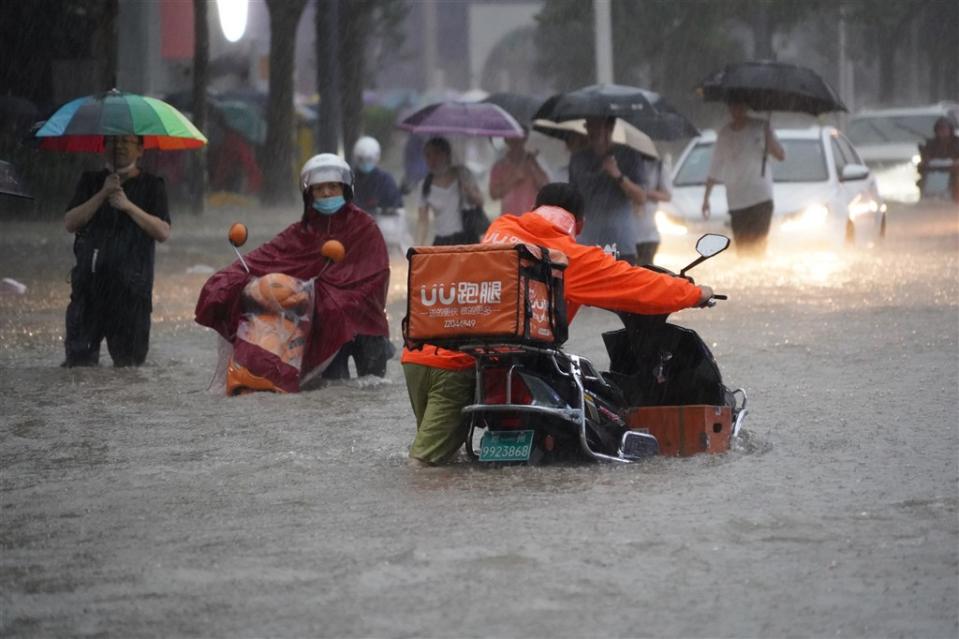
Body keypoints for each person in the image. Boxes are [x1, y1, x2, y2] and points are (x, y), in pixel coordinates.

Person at [401, 182, 714, 466]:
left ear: (535, 208)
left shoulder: (500, 228)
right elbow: (636, 284)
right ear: (580, 223)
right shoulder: (569, 258)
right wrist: (696, 293)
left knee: (443, 461)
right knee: (425, 469)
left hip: (420, 355)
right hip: (458, 369)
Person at [195, 154, 392, 389]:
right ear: (309, 195)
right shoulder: (299, 234)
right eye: (320, 189)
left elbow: (376, 277)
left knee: (375, 389)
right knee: (330, 391)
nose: (327, 193)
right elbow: (263, 259)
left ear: (345, 189)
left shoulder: (365, 228)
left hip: (366, 329)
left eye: (333, 186)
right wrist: (228, 279)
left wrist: (334, 301)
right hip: (324, 331)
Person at [62, 134, 171, 367]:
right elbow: (70, 222)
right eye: (113, 141)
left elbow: (162, 231)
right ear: (103, 147)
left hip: (131, 292)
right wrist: (102, 194)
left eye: (126, 141)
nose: (119, 146)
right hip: (88, 289)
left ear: (140, 150)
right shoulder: (90, 181)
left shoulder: (153, 185)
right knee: (78, 365)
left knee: (129, 368)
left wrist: (128, 206)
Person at [701, 102, 785, 256]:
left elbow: (781, 155)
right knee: (742, 249)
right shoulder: (725, 134)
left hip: (760, 198)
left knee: (758, 247)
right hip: (736, 201)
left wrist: (768, 138)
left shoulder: (762, 127)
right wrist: (706, 198)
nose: (737, 110)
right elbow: (715, 166)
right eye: (734, 107)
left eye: (740, 106)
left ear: (746, 107)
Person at [568, 116, 647, 264]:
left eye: (597, 126)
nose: (592, 131)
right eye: (589, 126)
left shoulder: (628, 155)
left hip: (620, 245)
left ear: (610, 128)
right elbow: (572, 198)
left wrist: (617, 175)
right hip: (587, 244)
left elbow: (641, 197)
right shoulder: (578, 159)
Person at [416, 136, 485, 246]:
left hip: (467, 238)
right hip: (442, 240)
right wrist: (418, 247)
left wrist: (468, 191)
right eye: (428, 155)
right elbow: (423, 221)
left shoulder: (462, 174)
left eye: (437, 154)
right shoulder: (424, 186)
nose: (432, 159)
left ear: (447, 154)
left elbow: (479, 202)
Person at [351, 136, 411, 255]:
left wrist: (385, 210)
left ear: (376, 158)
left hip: (384, 228)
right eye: (361, 159)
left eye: (368, 159)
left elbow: (397, 205)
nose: (365, 163)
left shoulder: (385, 179)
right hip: (356, 229)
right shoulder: (350, 179)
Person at [488, 131, 550, 215]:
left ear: (525, 138)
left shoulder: (535, 162)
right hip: (510, 220)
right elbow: (494, 194)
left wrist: (533, 167)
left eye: (518, 138)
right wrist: (513, 179)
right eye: (512, 138)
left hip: (532, 219)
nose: (515, 142)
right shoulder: (499, 166)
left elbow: (546, 188)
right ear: (506, 140)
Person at [635, 154, 672, 266]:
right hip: (627, 233)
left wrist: (643, 192)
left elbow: (667, 195)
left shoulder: (658, 165)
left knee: (646, 271)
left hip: (648, 233)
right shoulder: (622, 162)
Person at [917, 116, 959, 203]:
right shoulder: (931, 143)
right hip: (933, 173)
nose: (942, 132)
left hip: (954, 174)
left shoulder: (956, 142)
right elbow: (924, 158)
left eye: (945, 129)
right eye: (940, 129)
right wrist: (925, 162)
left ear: (950, 130)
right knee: (921, 182)